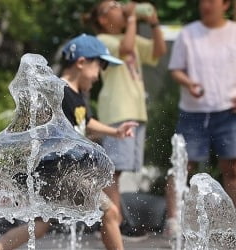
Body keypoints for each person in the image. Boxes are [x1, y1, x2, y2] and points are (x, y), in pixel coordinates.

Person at [0, 34, 139, 250]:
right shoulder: (60, 92)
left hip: (55, 172)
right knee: (111, 213)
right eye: (99, 66)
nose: (98, 75)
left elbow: (86, 121)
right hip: (62, 172)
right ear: (81, 63)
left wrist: (115, 132)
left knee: (39, 226)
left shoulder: (74, 94)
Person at [82, 0, 167, 235]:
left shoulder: (127, 37)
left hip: (134, 111)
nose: (121, 8)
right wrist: (132, 18)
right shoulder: (103, 40)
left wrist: (154, 23)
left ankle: (114, 220)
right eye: (115, 6)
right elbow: (127, 50)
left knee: (118, 170)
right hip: (119, 110)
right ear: (102, 18)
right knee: (114, 171)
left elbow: (158, 51)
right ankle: (114, 223)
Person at [165, 0, 236, 237]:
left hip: (229, 110)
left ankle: (232, 221)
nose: (206, 5)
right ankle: (173, 220)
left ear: (225, 4)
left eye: (211, 0)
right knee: (182, 164)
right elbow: (175, 69)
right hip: (193, 110)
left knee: (232, 167)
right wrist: (188, 83)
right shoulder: (188, 33)